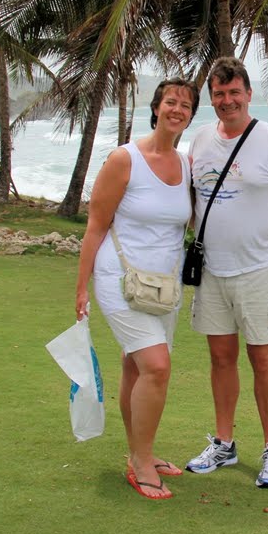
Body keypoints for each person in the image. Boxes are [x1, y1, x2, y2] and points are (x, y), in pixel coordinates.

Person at [184, 56, 268, 489]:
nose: (226, 101)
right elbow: (186, 201)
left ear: (249, 93)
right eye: (218, 94)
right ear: (212, 98)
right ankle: (224, 442)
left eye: (234, 92)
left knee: (262, 358)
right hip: (212, 272)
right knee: (220, 358)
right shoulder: (199, 140)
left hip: (259, 269)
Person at [75, 78, 199, 500]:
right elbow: (96, 225)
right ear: (157, 107)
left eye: (185, 105)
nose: (177, 109)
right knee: (157, 367)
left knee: (136, 367)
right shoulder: (124, 159)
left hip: (164, 287)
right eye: (170, 101)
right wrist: (81, 288)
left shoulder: (186, 165)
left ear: (190, 115)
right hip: (120, 279)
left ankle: (138, 452)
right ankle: (142, 463)